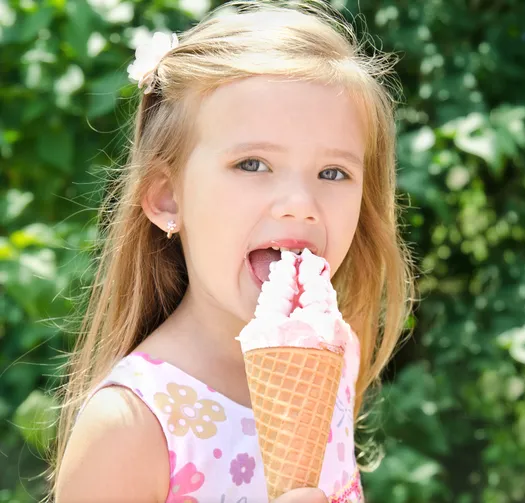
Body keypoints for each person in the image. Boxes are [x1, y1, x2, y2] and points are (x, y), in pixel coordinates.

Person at [50, 0, 414, 501]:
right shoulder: (132, 424)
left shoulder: (333, 355)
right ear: (167, 196)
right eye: (253, 164)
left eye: (334, 173)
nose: (300, 205)